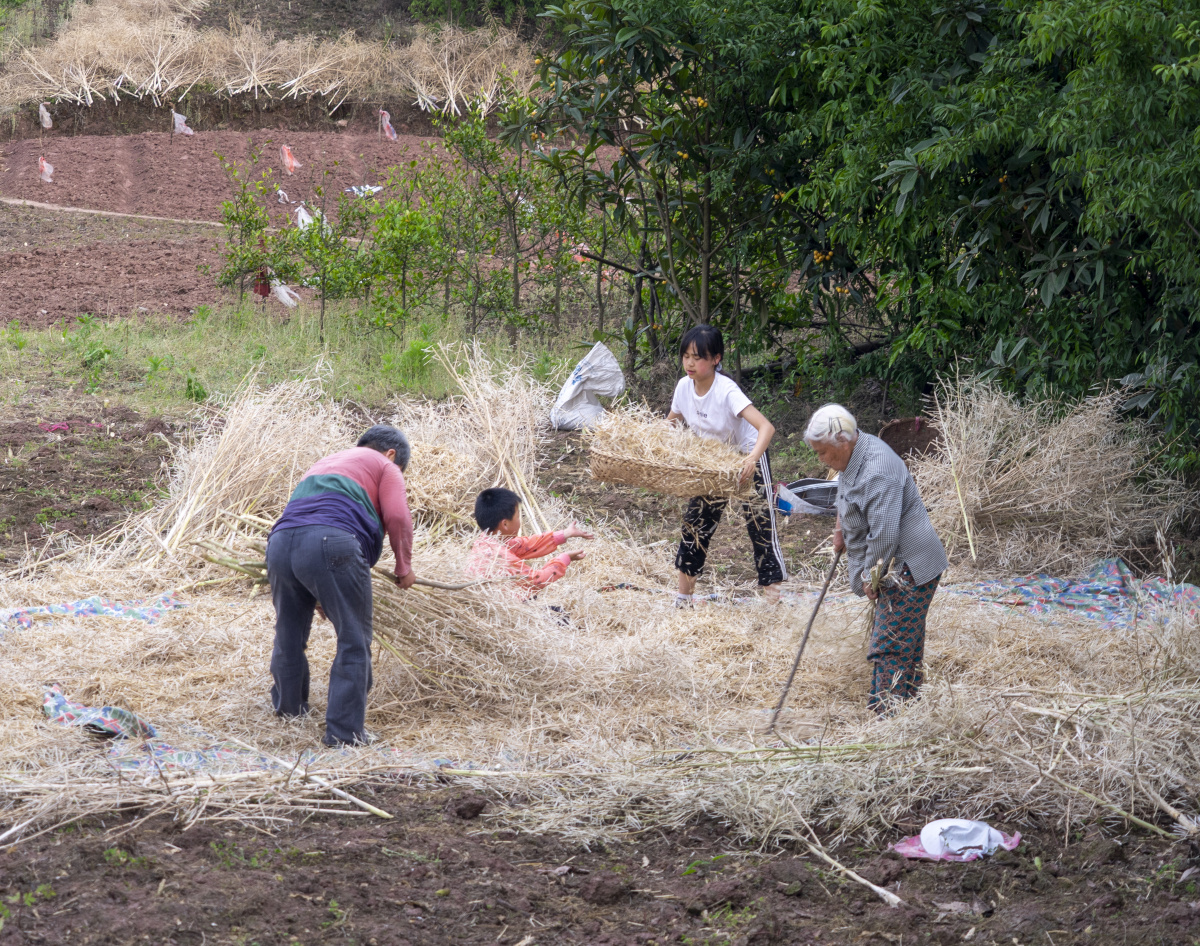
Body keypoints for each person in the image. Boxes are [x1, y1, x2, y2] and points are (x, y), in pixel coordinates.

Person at [266, 424, 417, 747]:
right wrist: (404, 566)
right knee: (353, 639)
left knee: (289, 632)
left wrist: (320, 588)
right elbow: (398, 517)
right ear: (391, 454)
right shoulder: (386, 465)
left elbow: (305, 518)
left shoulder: (326, 462)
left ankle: (289, 710)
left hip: (280, 544)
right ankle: (344, 734)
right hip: (330, 540)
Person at [803, 404, 948, 714]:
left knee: (891, 641)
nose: (821, 459)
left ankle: (886, 714)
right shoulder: (852, 455)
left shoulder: (877, 469)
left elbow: (883, 537)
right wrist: (840, 528)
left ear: (843, 441)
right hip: (893, 562)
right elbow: (847, 493)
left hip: (909, 563)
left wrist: (871, 577)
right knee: (905, 637)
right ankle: (906, 706)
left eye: (822, 452)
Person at [668, 324, 786, 606]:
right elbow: (670, 423)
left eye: (698, 357)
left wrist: (751, 459)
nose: (690, 363)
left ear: (716, 359)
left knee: (761, 526)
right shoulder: (684, 387)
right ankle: (683, 598)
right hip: (714, 464)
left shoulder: (726, 390)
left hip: (748, 458)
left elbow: (766, 428)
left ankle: (774, 603)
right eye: (686, 356)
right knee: (695, 525)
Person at [466, 487, 593, 598]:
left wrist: (564, 534)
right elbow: (536, 581)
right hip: (503, 610)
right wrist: (564, 559)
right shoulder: (500, 556)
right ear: (505, 523)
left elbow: (526, 545)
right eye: (518, 516)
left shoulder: (487, 540)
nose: (519, 520)